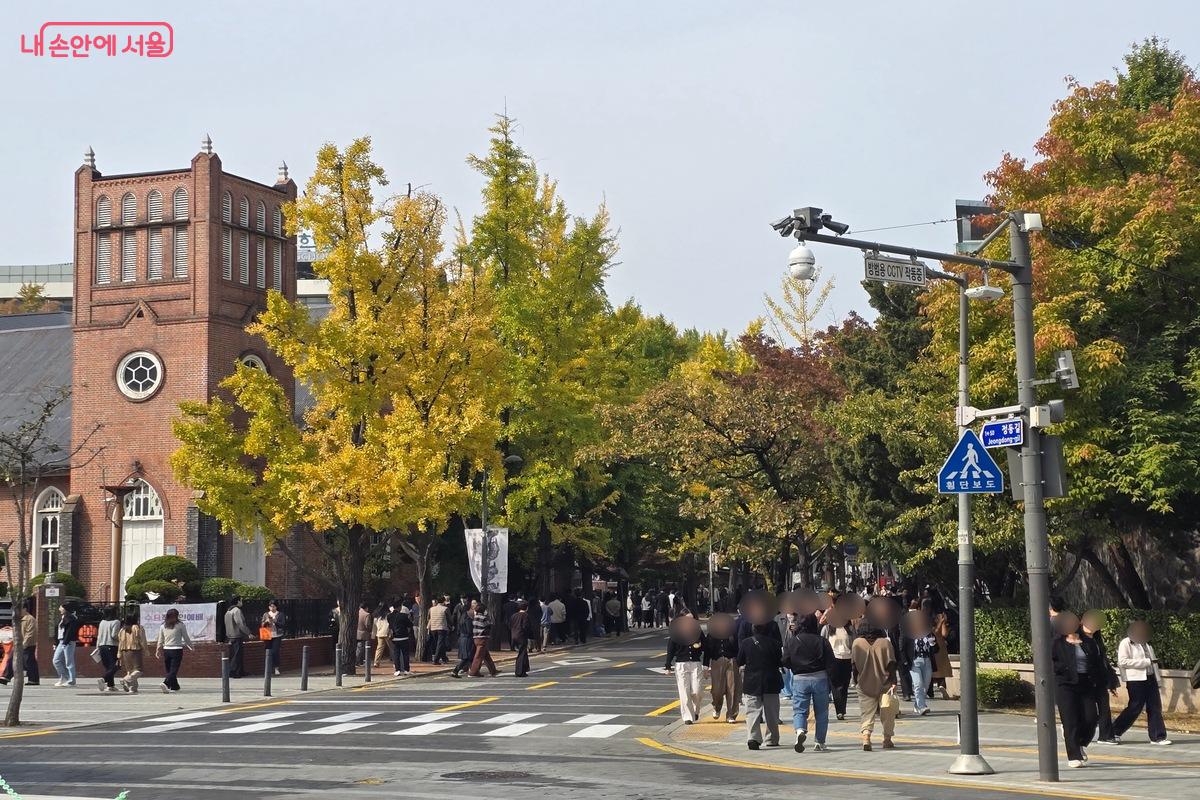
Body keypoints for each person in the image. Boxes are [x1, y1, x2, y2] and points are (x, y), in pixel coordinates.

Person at [1051, 613, 1106, 767]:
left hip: (1086, 683)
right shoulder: (1056, 643)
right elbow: (1050, 663)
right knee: (1070, 720)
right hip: (1065, 684)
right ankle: (1073, 755)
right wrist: (1062, 669)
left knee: (1091, 718)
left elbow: (1097, 663)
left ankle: (1080, 742)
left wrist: (1102, 681)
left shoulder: (1088, 642)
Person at [1112, 620, 1172, 746]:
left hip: (1150, 678)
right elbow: (1123, 661)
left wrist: (1157, 679)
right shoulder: (1126, 643)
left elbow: (1153, 663)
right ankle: (1115, 731)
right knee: (1135, 707)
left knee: (1155, 707)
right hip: (1135, 680)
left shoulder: (1147, 644)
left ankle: (1158, 736)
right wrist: (1145, 662)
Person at [782, 613, 835, 753]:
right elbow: (831, 662)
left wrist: (795, 667)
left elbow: (785, 660)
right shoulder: (822, 641)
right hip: (820, 678)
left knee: (800, 709)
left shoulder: (792, 641)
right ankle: (819, 742)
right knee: (822, 712)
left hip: (800, 678)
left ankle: (800, 730)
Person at [852, 625, 898, 751]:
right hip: (885, 683)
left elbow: (854, 665)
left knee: (866, 712)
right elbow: (891, 664)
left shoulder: (857, 643)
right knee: (888, 712)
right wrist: (894, 681)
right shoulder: (885, 643)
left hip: (864, 683)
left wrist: (855, 680)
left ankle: (866, 737)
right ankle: (887, 739)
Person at [739, 622, 783, 750]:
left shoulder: (746, 643)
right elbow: (779, 661)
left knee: (752, 711)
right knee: (772, 713)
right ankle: (772, 738)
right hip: (771, 681)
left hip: (752, 682)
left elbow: (740, 660)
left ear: (753, 630)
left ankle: (753, 738)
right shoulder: (775, 644)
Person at [1081, 612, 1120, 745]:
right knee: (1089, 713)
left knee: (1104, 708)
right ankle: (1079, 733)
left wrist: (1111, 682)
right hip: (1085, 681)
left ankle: (1106, 736)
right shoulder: (1077, 640)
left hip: (1100, 680)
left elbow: (1104, 662)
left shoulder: (1097, 641)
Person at [664, 611, 706, 724]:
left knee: (697, 691)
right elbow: (670, 649)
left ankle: (695, 711)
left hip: (695, 663)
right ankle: (688, 716)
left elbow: (705, 646)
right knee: (684, 692)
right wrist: (668, 665)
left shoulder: (698, 631)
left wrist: (706, 663)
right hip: (681, 664)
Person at [900, 613, 938, 715]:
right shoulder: (908, 633)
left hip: (927, 661)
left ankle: (917, 705)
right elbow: (902, 648)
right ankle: (921, 706)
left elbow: (936, 649)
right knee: (918, 684)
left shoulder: (929, 633)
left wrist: (933, 644)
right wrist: (905, 661)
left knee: (925, 685)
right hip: (914, 661)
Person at [704, 622, 742, 724]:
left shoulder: (733, 633)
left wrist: (740, 662)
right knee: (717, 690)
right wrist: (705, 666)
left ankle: (731, 714)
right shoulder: (711, 635)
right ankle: (717, 706)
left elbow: (739, 647)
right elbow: (707, 651)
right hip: (717, 661)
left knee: (732, 688)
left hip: (732, 660)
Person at [821, 617, 854, 721]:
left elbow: (854, 643)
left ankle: (842, 709)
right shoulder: (827, 628)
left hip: (847, 659)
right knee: (835, 686)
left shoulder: (850, 628)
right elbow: (822, 642)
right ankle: (839, 711)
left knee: (844, 686)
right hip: (833, 659)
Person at [155, 608, 194, 693]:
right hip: (174, 650)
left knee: (171, 669)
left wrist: (190, 646)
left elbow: (185, 637)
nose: (174, 618)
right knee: (172, 670)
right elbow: (161, 639)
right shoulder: (179, 625)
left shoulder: (164, 626)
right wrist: (158, 649)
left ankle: (174, 686)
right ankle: (166, 683)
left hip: (170, 650)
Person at [0, 599, 38, 686]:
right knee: (11, 659)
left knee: (29, 662)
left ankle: (34, 680)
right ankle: (6, 677)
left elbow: (30, 633)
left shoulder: (30, 619)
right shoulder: (18, 619)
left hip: (28, 644)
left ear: (24, 609)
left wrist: (25, 644)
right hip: (18, 644)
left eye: (18, 609)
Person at [52, 603, 81, 687]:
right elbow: (58, 631)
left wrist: (65, 642)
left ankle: (71, 681)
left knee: (69, 661)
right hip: (61, 641)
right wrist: (56, 643)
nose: (59, 609)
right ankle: (64, 677)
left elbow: (70, 632)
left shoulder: (71, 619)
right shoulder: (62, 618)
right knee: (56, 660)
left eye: (61, 607)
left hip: (68, 642)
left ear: (65, 609)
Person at [116, 614, 147, 693]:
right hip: (135, 650)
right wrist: (146, 650)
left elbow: (120, 642)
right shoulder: (137, 628)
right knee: (138, 670)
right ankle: (126, 679)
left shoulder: (122, 630)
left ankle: (132, 688)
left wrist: (119, 653)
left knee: (130, 671)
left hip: (124, 651)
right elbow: (142, 640)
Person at [468, 602, 499, 677]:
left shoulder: (475, 617)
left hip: (476, 637)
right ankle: (473, 672)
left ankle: (493, 670)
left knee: (486, 655)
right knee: (478, 656)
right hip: (482, 638)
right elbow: (488, 625)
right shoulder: (483, 618)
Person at [224, 595, 252, 678]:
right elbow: (240, 623)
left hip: (230, 636)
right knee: (237, 655)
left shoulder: (228, 611)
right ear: (238, 601)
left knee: (234, 654)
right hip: (237, 635)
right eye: (241, 600)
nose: (242, 602)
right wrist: (248, 632)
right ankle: (234, 672)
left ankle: (240, 671)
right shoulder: (237, 611)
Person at [95, 606, 121, 693]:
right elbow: (114, 635)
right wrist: (121, 639)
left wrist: (97, 647)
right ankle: (104, 679)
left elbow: (99, 636)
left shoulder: (102, 622)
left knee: (108, 667)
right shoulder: (116, 622)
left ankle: (111, 685)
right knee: (116, 666)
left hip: (102, 646)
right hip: (112, 646)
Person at [450, 599, 477, 679]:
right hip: (467, 639)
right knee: (467, 657)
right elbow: (469, 630)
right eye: (471, 608)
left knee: (469, 657)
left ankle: (473, 671)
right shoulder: (467, 618)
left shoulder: (462, 617)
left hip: (463, 638)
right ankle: (456, 670)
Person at [930, 611, 954, 701]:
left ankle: (941, 686)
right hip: (935, 650)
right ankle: (937, 687)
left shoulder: (940, 625)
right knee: (935, 671)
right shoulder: (931, 627)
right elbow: (936, 632)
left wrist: (943, 623)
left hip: (940, 650)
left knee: (939, 671)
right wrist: (941, 622)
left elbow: (944, 634)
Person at [261, 599, 286, 676]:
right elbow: (262, 624)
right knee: (268, 651)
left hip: (277, 635)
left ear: (276, 607)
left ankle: (276, 668)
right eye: (271, 606)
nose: (272, 608)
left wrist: (275, 621)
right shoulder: (266, 614)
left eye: (274, 606)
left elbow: (282, 624)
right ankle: (268, 667)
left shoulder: (280, 614)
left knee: (275, 651)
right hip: (267, 635)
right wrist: (266, 622)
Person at [388, 600, 414, 676]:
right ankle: (406, 669)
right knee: (405, 654)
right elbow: (410, 625)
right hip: (404, 637)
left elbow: (390, 626)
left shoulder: (389, 616)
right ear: (399, 607)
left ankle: (397, 670)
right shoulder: (403, 616)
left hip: (394, 637)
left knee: (396, 654)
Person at [511, 600, 531, 677]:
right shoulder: (525, 615)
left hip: (514, 635)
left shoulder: (514, 615)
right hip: (521, 636)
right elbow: (526, 626)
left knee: (523, 652)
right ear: (526, 608)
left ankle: (525, 669)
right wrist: (528, 634)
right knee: (522, 653)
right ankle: (519, 671)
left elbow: (510, 625)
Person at [428, 596, 450, 665]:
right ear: (444, 601)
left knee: (440, 644)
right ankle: (436, 660)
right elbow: (449, 618)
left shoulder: (431, 609)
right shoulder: (445, 609)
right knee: (440, 644)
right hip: (442, 628)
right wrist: (451, 625)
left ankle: (444, 658)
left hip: (433, 628)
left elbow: (428, 617)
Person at [356, 602, 372, 667]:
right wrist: (370, 630)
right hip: (364, 633)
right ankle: (358, 661)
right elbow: (368, 625)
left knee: (359, 647)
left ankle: (359, 661)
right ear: (366, 608)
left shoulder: (356, 613)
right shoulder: (367, 615)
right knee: (363, 648)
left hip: (357, 632)